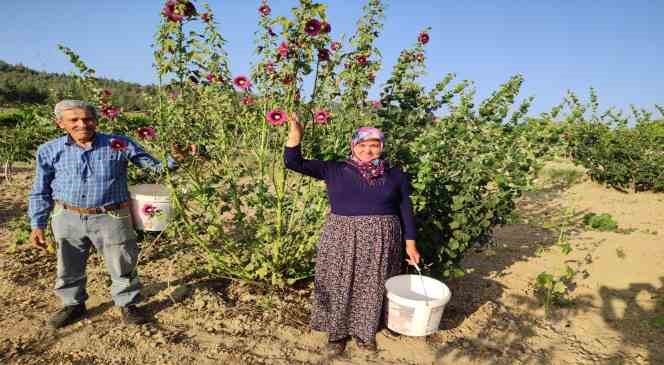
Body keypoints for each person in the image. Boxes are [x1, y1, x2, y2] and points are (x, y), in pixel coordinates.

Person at [28, 100, 185, 329]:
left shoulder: (118, 144)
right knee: (68, 265)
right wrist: (37, 224)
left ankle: (127, 304)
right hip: (67, 216)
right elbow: (40, 190)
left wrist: (176, 160)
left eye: (88, 119)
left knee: (123, 263)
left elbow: (155, 168)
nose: (82, 124)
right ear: (60, 123)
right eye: (74, 120)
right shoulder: (49, 150)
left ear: (96, 120)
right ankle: (73, 305)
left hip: (112, 216)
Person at [283, 114, 420, 355]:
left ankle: (365, 333)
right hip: (341, 234)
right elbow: (293, 162)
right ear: (353, 146)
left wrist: (411, 243)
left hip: (381, 237)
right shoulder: (333, 169)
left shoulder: (394, 174)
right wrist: (296, 133)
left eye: (374, 145)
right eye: (362, 145)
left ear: (381, 147)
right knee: (338, 281)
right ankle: (336, 334)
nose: (368, 150)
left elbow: (405, 208)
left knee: (373, 284)